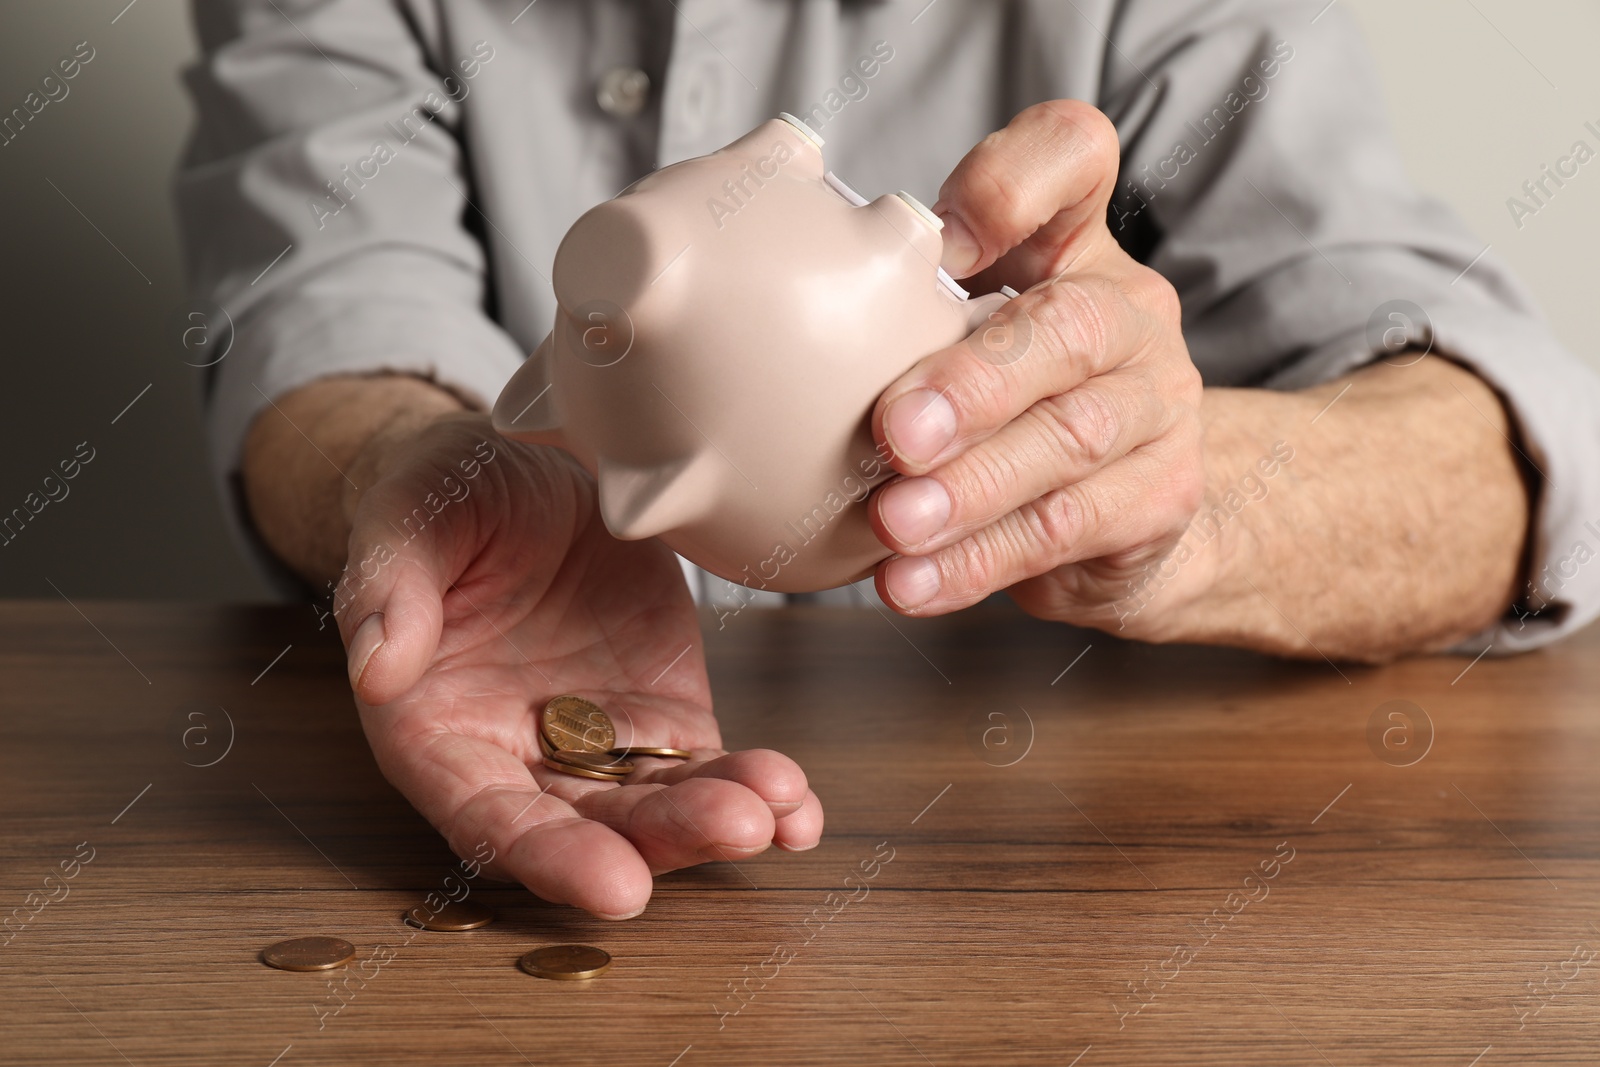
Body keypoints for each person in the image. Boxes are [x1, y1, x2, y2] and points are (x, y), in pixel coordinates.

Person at [176, 0, 1600, 919]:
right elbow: (322, 308)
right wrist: (422, 471)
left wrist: (1187, 502)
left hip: (1063, 885)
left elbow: (1515, 448)